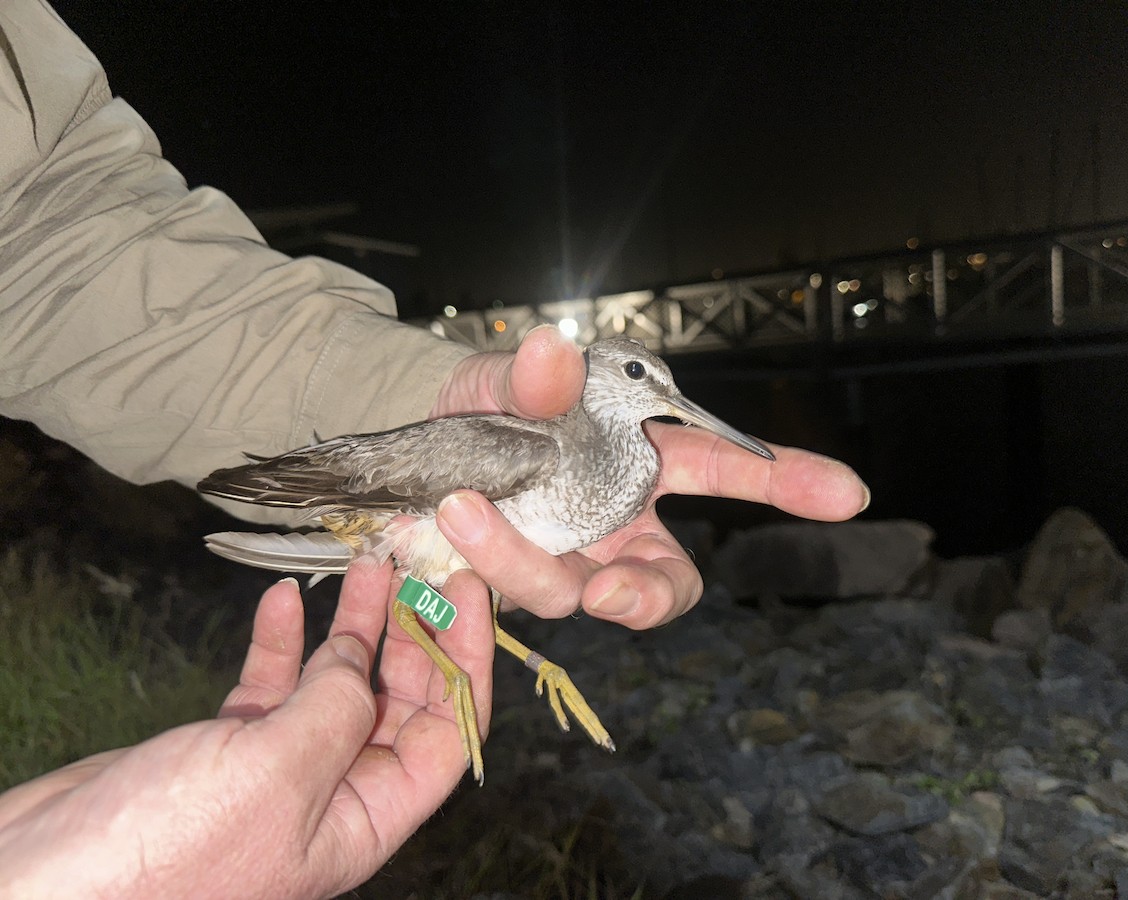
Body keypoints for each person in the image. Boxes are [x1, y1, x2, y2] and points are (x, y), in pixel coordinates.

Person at [0, 1, 870, 895]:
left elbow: (48, 234)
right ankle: (511, 662)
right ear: (607, 381)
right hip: (383, 491)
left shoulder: (623, 459)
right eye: (649, 382)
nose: (674, 407)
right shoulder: (539, 448)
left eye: (665, 390)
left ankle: (520, 660)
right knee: (429, 566)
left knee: (440, 571)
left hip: (391, 484)